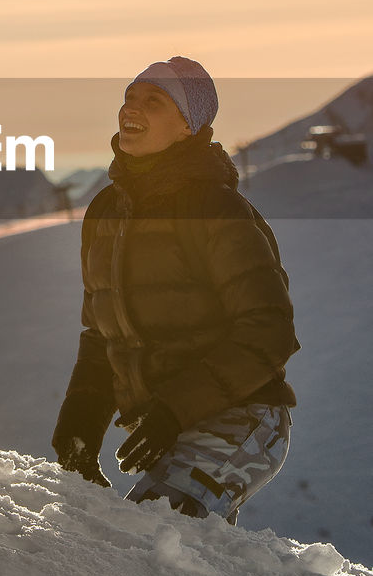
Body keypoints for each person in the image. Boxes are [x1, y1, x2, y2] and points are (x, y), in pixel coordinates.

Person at [52, 57, 299, 524]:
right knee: (156, 549)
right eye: (129, 96)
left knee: (153, 535)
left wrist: (174, 409)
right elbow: (104, 334)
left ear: (189, 126)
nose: (132, 107)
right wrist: (79, 427)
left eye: (154, 101)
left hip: (243, 417)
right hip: (174, 421)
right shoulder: (106, 212)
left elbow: (270, 331)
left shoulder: (216, 209)